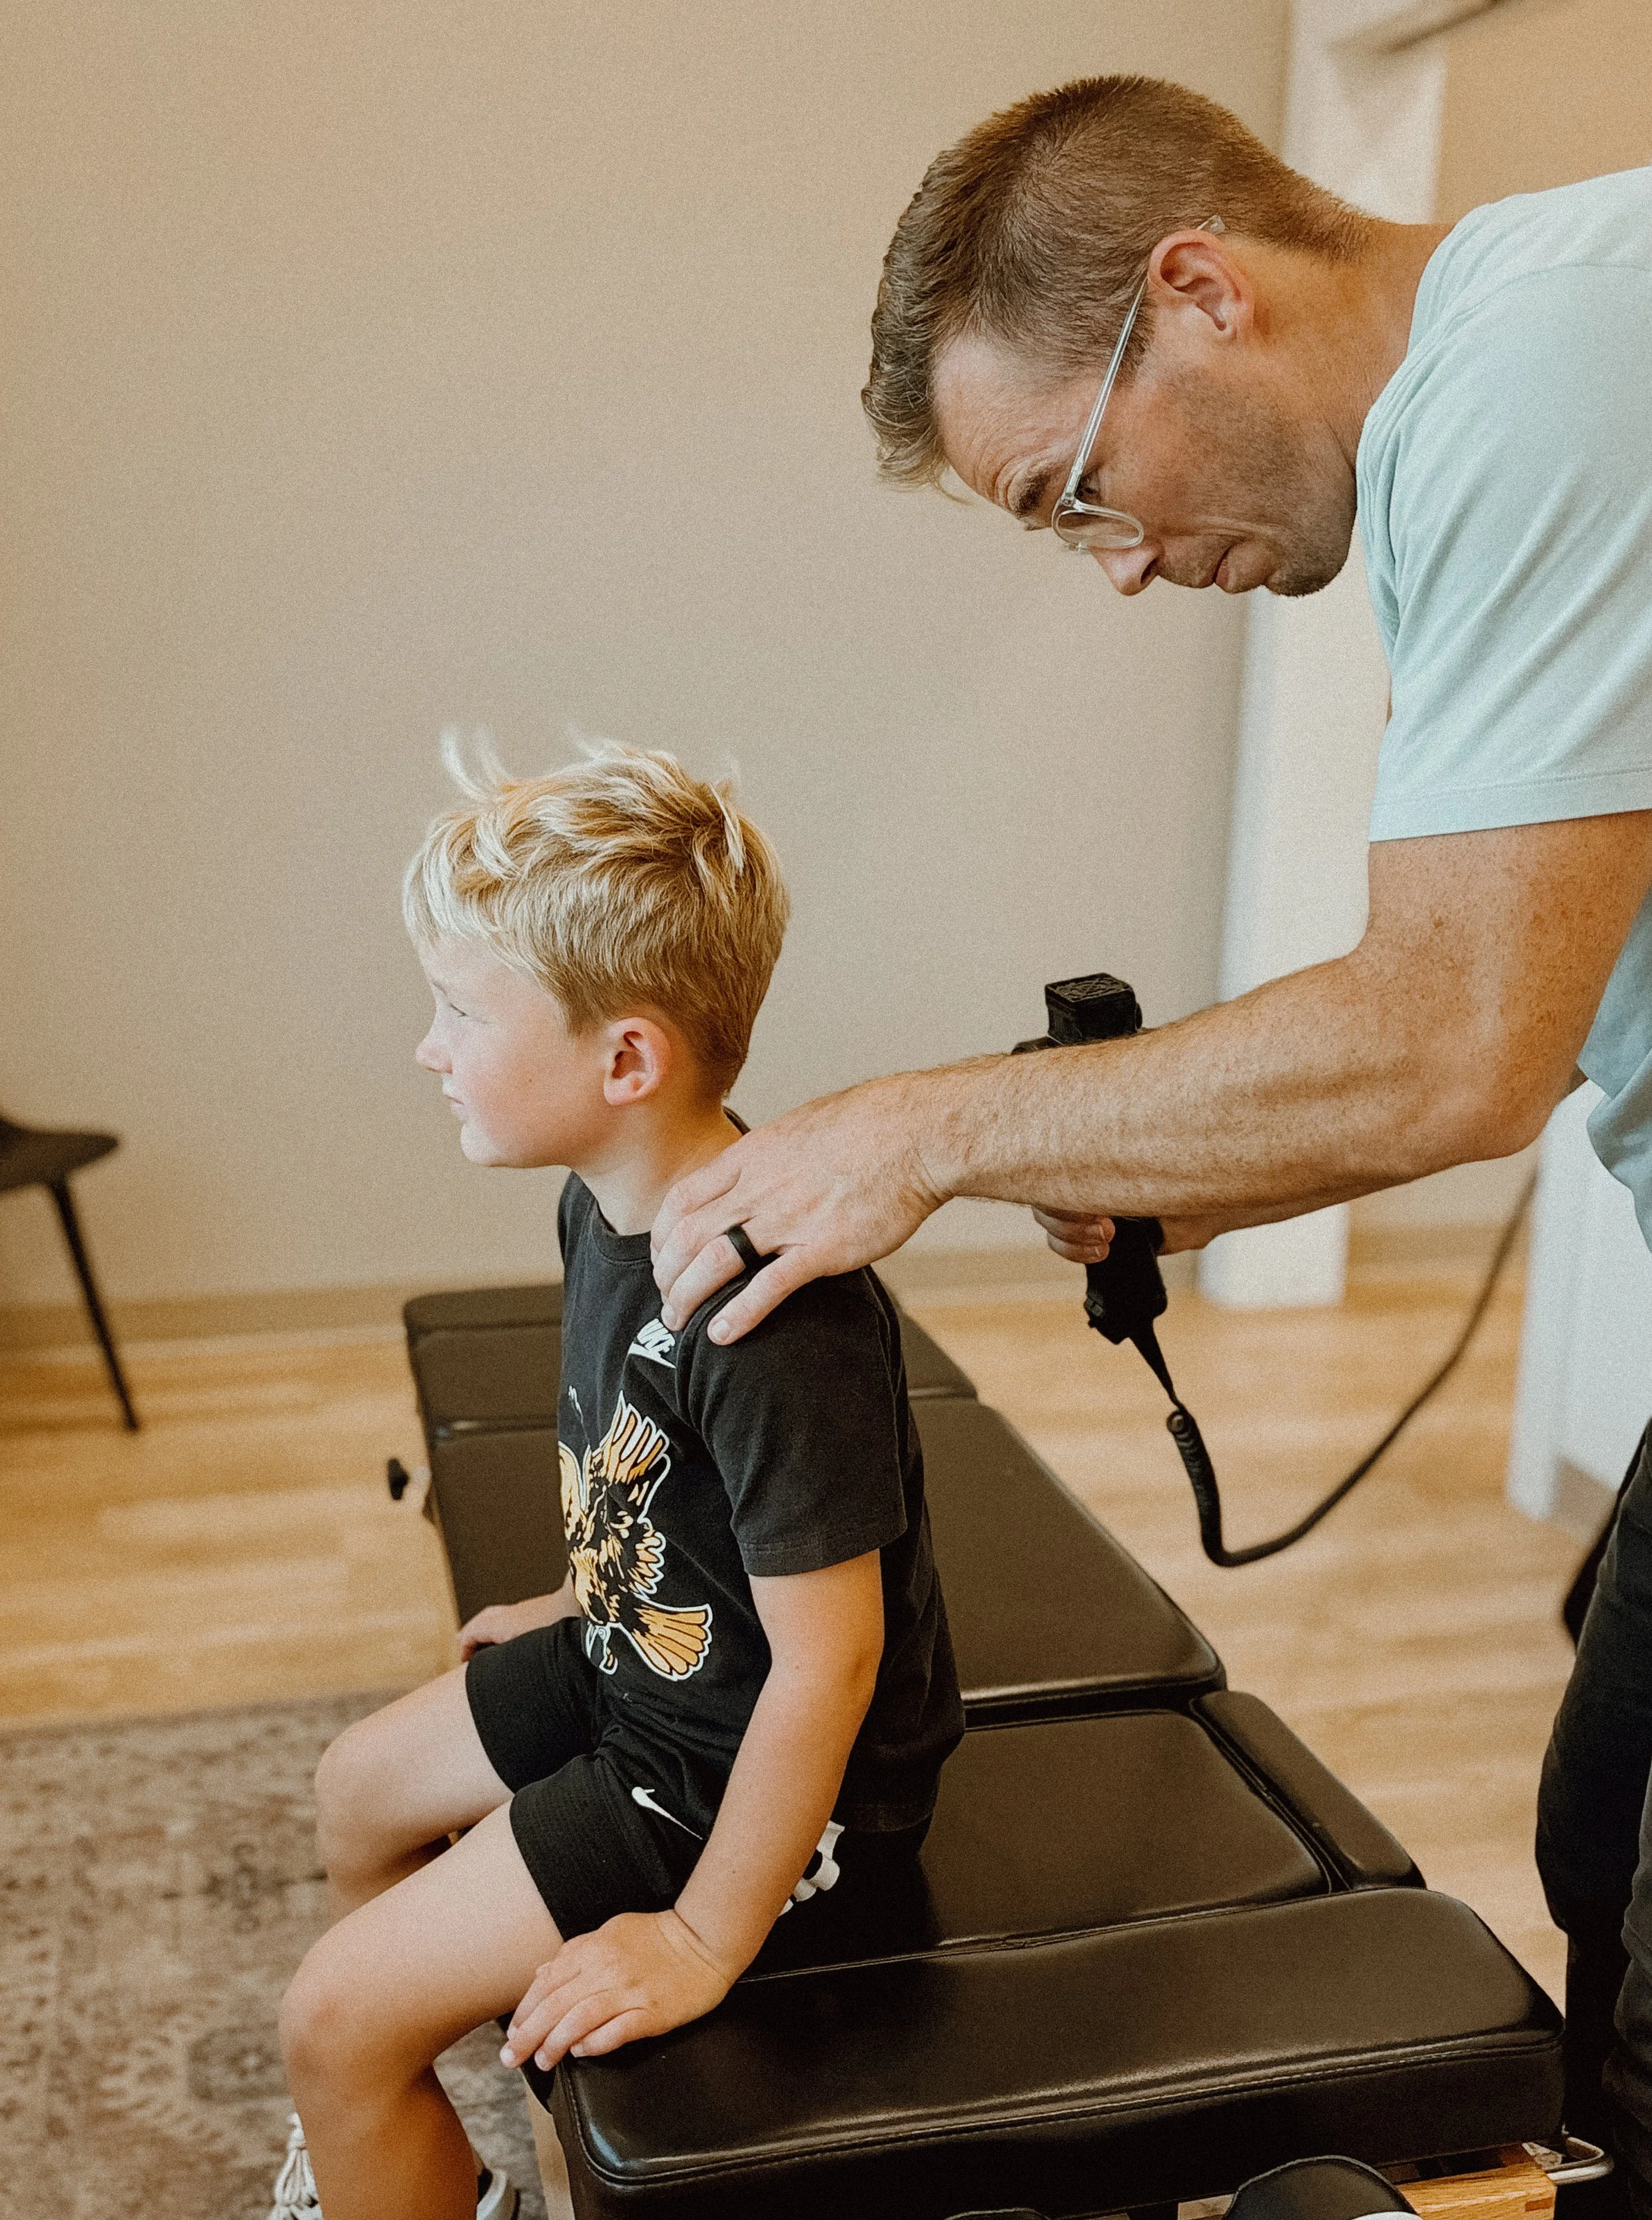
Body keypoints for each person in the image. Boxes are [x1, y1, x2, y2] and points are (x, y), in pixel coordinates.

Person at [646, 75, 1652, 2217]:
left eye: (1074, 492)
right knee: (1600, 1824)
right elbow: (1523, 1001)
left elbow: (1454, 1040)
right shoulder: (1529, 378)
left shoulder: (1547, 374)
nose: (1113, 572)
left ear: (1199, 293)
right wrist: (1162, 1159)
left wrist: (921, 1133)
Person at [268, 741, 962, 2220]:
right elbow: (656, 1476)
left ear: (624, 1060)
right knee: (354, 1796)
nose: (427, 1046)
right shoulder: (610, 1202)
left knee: (324, 2022)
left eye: (459, 1010)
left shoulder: (771, 1310)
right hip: (644, 1665)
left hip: (743, 1779)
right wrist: (584, 1589)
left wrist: (704, 1937)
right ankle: (402, 2139)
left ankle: (366, 2103)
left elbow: (832, 1667)